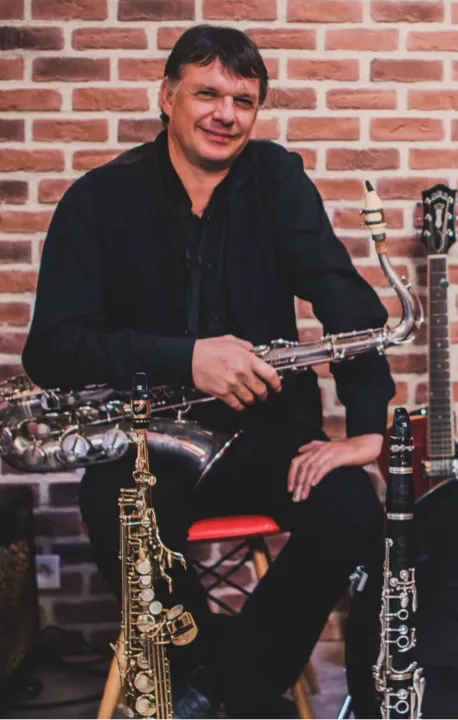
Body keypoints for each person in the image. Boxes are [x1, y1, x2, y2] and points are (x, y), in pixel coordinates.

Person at [22, 25, 394, 720]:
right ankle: (231, 680)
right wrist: (186, 358)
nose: (226, 114)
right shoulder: (98, 198)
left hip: (267, 432)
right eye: (207, 94)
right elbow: (52, 349)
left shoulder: (278, 181)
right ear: (167, 97)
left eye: (243, 101)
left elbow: (348, 305)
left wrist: (367, 430)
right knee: (119, 517)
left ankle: (220, 689)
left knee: (352, 510)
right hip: (148, 440)